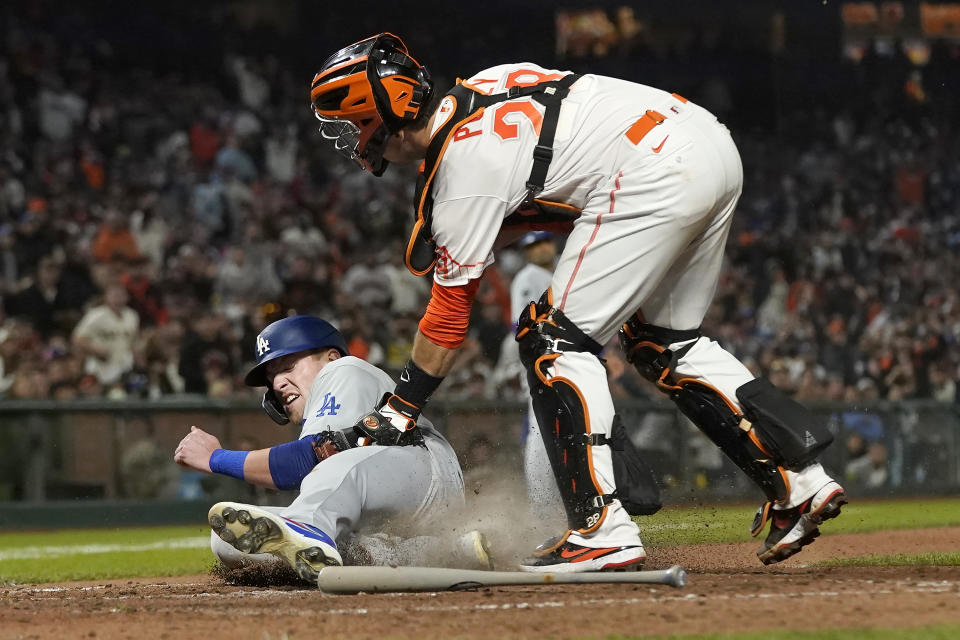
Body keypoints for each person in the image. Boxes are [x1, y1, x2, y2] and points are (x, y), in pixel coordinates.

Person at [308, 33, 846, 571]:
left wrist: (400, 410)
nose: (354, 139)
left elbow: (448, 318)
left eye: (355, 123)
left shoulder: (462, 174)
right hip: (707, 143)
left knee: (549, 336)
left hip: (650, 169)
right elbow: (542, 181)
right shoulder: (489, 82)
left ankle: (601, 528)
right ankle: (798, 483)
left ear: (383, 110)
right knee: (664, 341)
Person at [173, 315, 487, 583]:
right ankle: (444, 552)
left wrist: (216, 457)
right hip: (388, 509)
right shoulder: (321, 402)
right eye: (271, 377)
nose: (278, 384)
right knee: (228, 539)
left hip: (424, 473)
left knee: (330, 462)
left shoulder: (344, 369)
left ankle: (309, 531)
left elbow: (301, 463)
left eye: (288, 366)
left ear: (331, 357)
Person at [509, 232, 563, 522]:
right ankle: (541, 506)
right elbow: (520, 325)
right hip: (539, 357)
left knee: (555, 429)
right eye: (531, 245)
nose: (539, 248)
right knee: (540, 431)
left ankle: (556, 501)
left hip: (559, 356)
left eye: (543, 242)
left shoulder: (559, 274)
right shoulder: (527, 277)